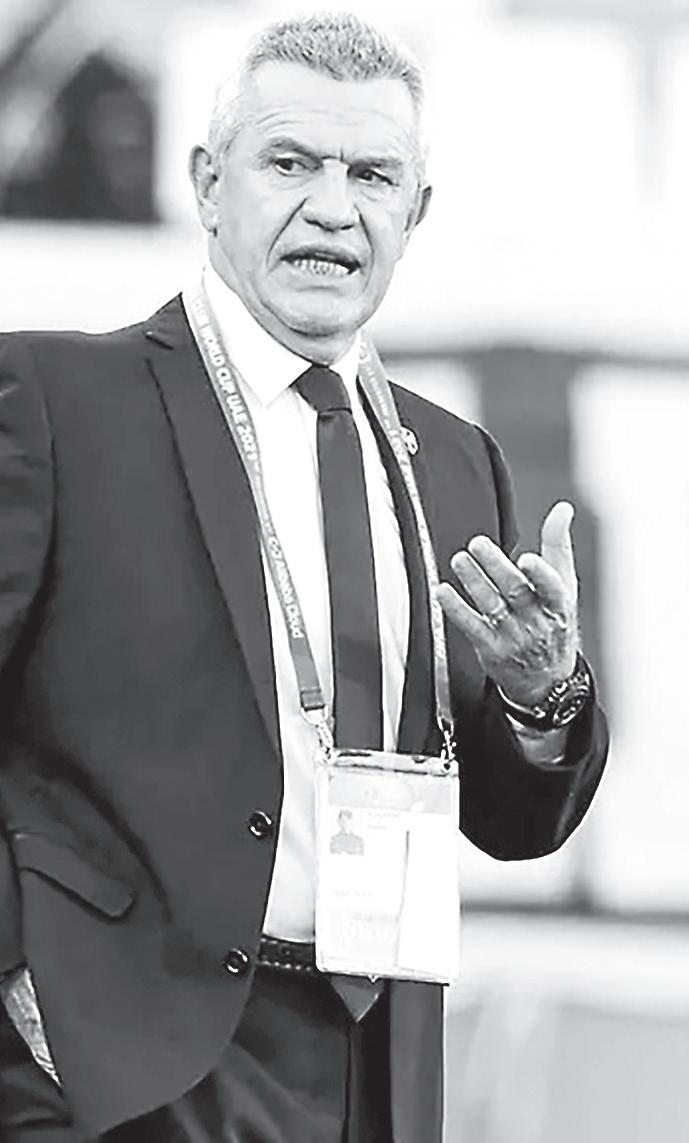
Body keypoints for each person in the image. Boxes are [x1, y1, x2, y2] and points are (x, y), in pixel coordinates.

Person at [0, 11, 608, 1143]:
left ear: (413, 213)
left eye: (372, 174)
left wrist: (542, 696)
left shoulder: (454, 462)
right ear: (208, 184)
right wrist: (25, 997)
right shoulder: (55, 403)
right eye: (290, 163)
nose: (332, 206)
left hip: (371, 1066)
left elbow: (514, 821)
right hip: (106, 1071)